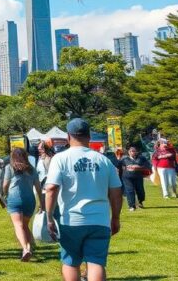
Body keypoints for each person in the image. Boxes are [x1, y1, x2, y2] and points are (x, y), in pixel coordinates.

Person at [45, 118, 123, 281]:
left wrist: (49, 216)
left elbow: (51, 188)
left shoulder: (60, 158)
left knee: (71, 262)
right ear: (89, 136)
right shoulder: (104, 160)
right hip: (99, 220)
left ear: (68, 136)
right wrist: (115, 217)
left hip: (71, 220)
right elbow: (116, 190)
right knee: (96, 263)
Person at [3, 147, 43, 261]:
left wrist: (4, 195)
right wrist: (42, 202)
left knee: (18, 225)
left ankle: (25, 248)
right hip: (30, 200)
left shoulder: (9, 167)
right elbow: (38, 187)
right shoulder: (32, 169)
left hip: (15, 198)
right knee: (24, 225)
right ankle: (30, 245)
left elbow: (5, 185)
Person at [120, 145, 152, 210]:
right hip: (127, 177)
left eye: (134, 151)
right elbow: (119, 167)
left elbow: (147, 165)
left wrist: (138, 167)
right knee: (130, 191)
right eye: (131, 151)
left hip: (138, 177)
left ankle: (140, 202)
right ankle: (131, 206)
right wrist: (125, 169)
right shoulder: (124, 159)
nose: (133, 152)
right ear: (128, 152)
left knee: (140, 190)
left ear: (136, 152)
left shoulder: (141, 158)